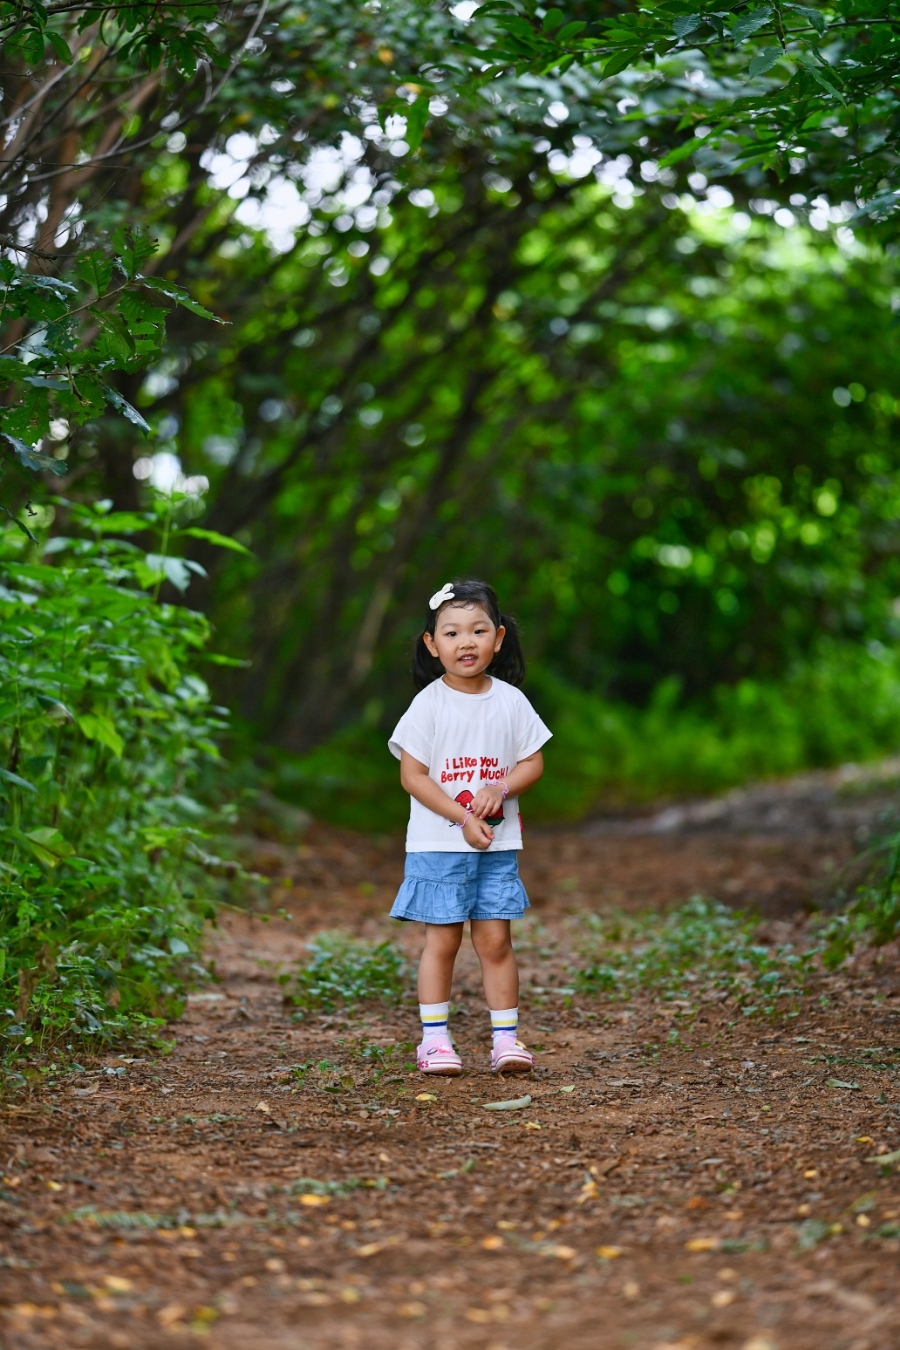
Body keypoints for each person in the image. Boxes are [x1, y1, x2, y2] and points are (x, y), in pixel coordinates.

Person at [388, 578, 551, 1076]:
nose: (466, 642)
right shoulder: (429, 705)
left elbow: (533, 762)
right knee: (443, 942)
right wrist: (461, 816)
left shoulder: (510, 702)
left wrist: (499, 788)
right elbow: (412, 776)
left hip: (497, 847)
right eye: (453, 633)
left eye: (478, 631)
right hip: (439, 847)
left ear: (498, 639)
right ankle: (434, 1041)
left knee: (496, 942)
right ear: (432, 645)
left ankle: (506, 1040)